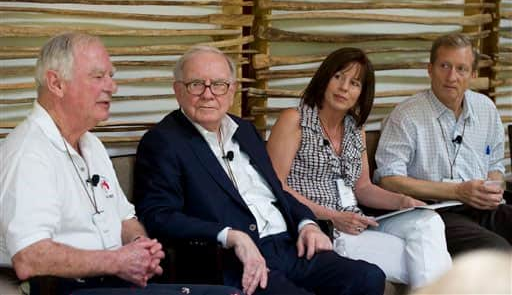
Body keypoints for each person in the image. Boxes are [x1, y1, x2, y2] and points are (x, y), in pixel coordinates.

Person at [0, 33, 241, 295]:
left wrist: (140, 245)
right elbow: (30, 257)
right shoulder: (29, 152)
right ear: (56, 83)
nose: (112, 87)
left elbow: (126, 218)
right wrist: (119, 261)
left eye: (111, 76)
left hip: (113, 283)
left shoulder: (91, 144)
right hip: (66, 289)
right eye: (98, 76)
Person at [134, 45, 386, 295]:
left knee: (367, 277)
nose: (208, 94)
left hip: (289, 246)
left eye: (219, 84)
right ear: (178, 90)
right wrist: (229, 235)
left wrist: (306, 223)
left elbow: (278, 190)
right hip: (232, 260)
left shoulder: (244, 130)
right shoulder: (163, 141)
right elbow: (158, 216)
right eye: (196, 84)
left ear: (231, 90)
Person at [266, 47, 452, 288]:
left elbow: (362, 187)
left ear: (361, 92)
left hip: (358, 221)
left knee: (429, 221)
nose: (344, 87)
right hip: (324, 228)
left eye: (354, 83)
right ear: (324, 78)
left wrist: (402, 201)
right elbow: (274, 186)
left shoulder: (355, 128)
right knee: (433, 262)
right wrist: (334, 216)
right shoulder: (295, 119)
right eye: (338, 77)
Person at [374, 33, 512, 256]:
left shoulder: (486, 108)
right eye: (444, 66)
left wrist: (493, 190)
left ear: (473, 75)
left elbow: (495, 166)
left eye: (461, 69)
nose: (451, 76)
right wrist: (457, 191)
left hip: (482, 207)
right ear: (430, 69)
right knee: (497, 251)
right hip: (434, 212)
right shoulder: (406, 115)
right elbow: (388, 180)